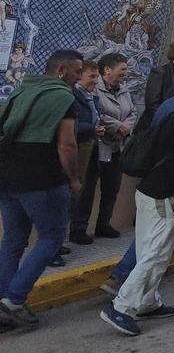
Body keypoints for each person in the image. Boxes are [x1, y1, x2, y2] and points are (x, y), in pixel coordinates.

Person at [100, 75, 174, 336]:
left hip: (149, 191)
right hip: (162, 197)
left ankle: (147, 302)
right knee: (154, 254)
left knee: (156, 252)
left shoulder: (172, 117)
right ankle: (121, 307)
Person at [0, 49, 82, 330]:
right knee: (52, 236)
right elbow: (66, 145)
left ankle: (4, 301)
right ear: (61, 71)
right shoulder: (62, 97)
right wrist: (74, 178)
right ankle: (13, 301)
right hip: (40, 177)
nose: (79, 76)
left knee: (13, 239)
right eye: (77, 71)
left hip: (6, 174)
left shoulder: (22, 90)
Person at [75, 53, 136, 240]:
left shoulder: (124, 89)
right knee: (87, 189)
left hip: (117, 146)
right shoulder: (94, 89)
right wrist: (117, 126)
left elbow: (132, 112)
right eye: (122, 69)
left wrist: (126, 128)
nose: (125, 73)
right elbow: (97, 113)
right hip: (98, 146)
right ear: (108, 70)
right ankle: (79, 228)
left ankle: (104, 224)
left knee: (112, 188)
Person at [66, 61, 101, 246]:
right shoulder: (71, 96)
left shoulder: (92, 97)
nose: (95, 81)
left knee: (86, 192)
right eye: (91, 76)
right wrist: (91, 129)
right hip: (77, 150)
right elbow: (71, 126)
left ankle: (79, 229)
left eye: (97, 76)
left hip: (92, 148)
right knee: (70, 196)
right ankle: (56, 243)